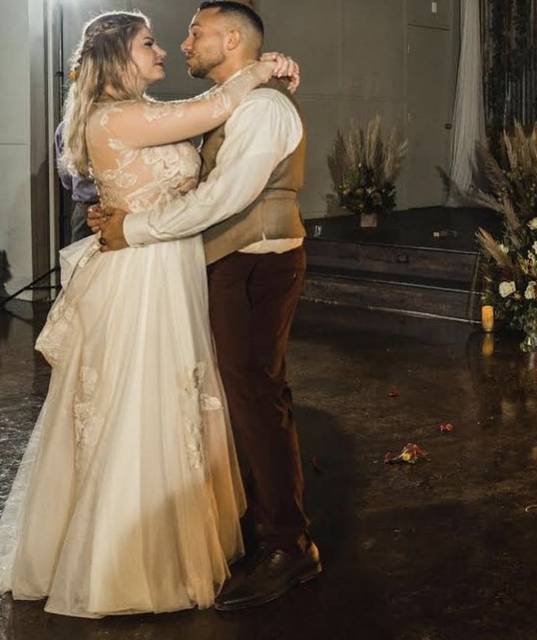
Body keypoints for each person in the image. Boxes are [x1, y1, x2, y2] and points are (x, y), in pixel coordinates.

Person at [0, 9, 299, 618]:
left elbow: (209, 127)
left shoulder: (140, 114)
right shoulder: (121, 117)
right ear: (117, 56)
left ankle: (182, 534)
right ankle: (127, 558)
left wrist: (268, 71)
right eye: (150, 43)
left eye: (181, 36)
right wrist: (267, 67)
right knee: (136, 402)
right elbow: (212, 110)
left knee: (168, 398)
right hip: (141, 272)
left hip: (162, 263)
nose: (166, 49)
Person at [93, 1, 317, 612]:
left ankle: (287, 547)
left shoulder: (265, 108)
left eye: (197, 32)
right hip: (231, 264)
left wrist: (135, 229)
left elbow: (225, 197)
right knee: (242, 398)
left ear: (233, 38)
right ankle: (264, 531)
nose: (183, 41)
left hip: (256, 264)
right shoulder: (235, 102)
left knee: (255, 397)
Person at [54, 121, 98, 242]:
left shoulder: (66, 127)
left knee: (81, 257)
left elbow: (66, 174)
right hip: (119, 205)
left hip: (85, 204)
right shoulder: (114, 120)